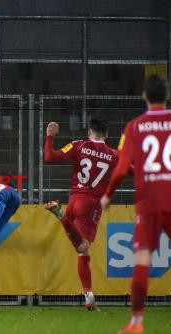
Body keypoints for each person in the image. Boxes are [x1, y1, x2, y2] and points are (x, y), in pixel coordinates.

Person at [101, 74, 171, 334]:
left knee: (143, 260)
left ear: (144, 96)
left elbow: (121, 168)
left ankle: (136, 322)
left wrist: (108, 194)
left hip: (150, 202)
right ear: (167, 96)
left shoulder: (135, 127)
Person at [43, 117, 118, 311]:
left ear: (89, 132)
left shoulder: (77, 145)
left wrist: (50, 137)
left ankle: (89, 295)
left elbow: (50, 157)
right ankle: (60, 215)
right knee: (83, 247)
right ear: (107, 135)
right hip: (91, 204)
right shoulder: (113, 154)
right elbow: (132, 170)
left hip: (75, 200)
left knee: (83, 251)